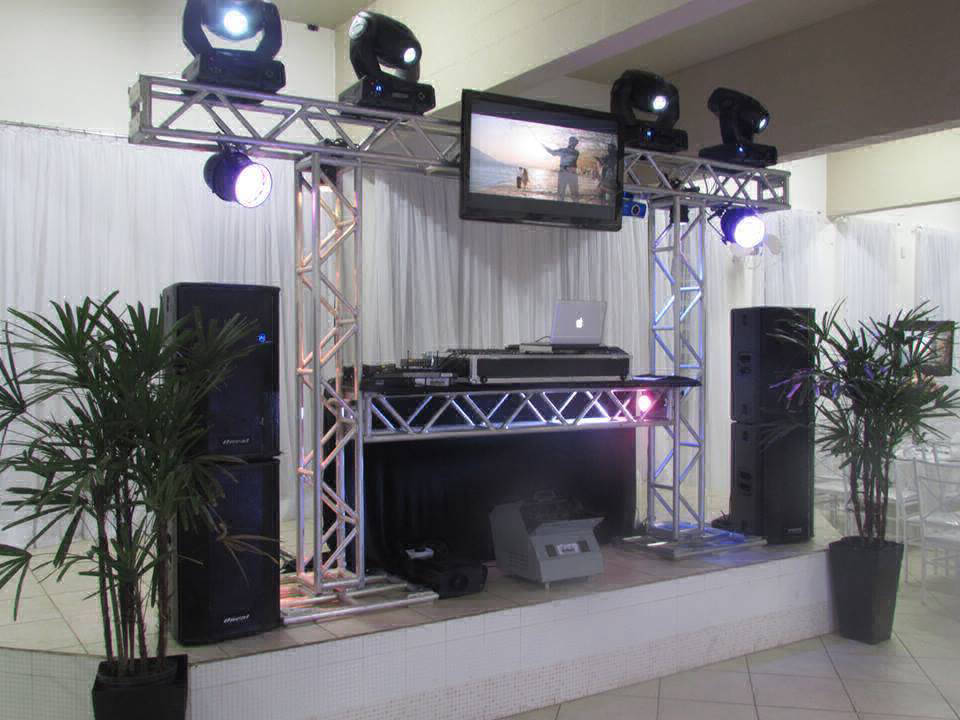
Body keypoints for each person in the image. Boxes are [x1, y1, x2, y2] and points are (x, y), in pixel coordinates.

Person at [543, 136, 580, 200]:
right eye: (574, 142)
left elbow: (552, 152)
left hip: (567, 173)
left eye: (576, 142)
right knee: (565, 194)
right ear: (570, 142)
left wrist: (545, 147)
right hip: (568, 173)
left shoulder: (574, 152)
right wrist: (545, 147)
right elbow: (552, 152)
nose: (575, 144)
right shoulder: (573, 152)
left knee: (569, 194)